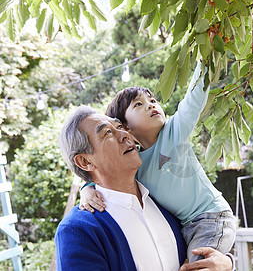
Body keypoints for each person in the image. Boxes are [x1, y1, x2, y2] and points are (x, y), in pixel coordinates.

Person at [81, 61, 236, 262]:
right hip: (185, 227)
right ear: (126, 127)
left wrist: (204, 63)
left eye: (152, 100)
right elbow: (106, 172)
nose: (151, 105)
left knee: (201, 265)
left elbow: (193, 102)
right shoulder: (132, 162)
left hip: (212, 218)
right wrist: (87, 188)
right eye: (138, 104)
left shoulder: (173, 133)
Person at [56, 106, 234, 270]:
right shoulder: (77, 231)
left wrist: (227, 265)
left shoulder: (168, 206)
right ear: (85, 161)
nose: (124, 135)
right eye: (107, 133)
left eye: (120, 126)